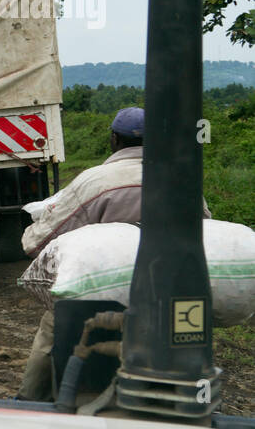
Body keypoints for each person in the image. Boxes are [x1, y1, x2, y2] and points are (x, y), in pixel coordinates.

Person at [16, 107, 210, 400]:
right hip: (166, 290)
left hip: (97, 291)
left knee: (50, 335)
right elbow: (205, 229)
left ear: (114, 140)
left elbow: (40, 240)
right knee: (191, 339)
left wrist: (32, 238)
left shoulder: (94, 181)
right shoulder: (181, 179)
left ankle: (29, 400)